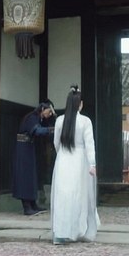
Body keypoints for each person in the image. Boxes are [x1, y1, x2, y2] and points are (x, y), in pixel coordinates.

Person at [50, 85, 100, 245]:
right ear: (80, 104)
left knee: (62, 195)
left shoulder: (59, 120)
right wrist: (92, 163)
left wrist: (62, 155)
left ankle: (61, 231)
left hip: (63, 159)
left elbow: (56, 143)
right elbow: (90, 144)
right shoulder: (85, 121)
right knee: (79, 195)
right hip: (79, 160)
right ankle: (78, 229)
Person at [13, 100, 56, 216]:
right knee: (25, 176)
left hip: (29, 147)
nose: (49, 114)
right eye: (49, 112)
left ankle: (32, 203)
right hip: (23, 149)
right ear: (42, 109)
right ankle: (27, 206)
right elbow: (36, 131)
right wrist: (52, 129)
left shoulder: (37, 118)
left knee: (31, 176)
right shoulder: (32, 117)